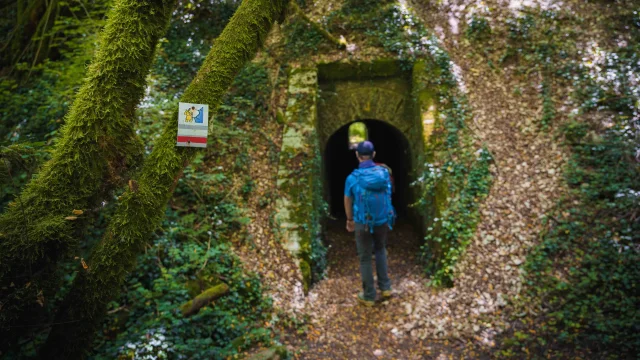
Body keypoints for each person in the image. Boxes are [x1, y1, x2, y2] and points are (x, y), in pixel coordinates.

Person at [343, 141, 395, 307]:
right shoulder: (384, 173)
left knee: (365, 258)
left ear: (357, 156)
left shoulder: (352, 178)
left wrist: (350, 220)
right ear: (374, 155)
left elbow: (347, 199)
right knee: (380, 249)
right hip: (382, 220)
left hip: (362, 222)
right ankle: (385, 288)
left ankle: (369, 296)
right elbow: (390, 191)